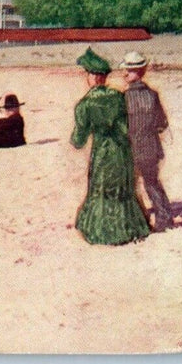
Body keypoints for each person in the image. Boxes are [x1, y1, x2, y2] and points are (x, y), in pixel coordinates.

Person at [69, 48, 150, 246]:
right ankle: (129, 228)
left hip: (103, 153)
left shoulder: (84, 105)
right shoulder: (119, 96)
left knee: (102, 190)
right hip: (123, 151)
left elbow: (78, 140)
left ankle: (103, 232)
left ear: (91, 77)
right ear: (103, 77)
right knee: (123, 190)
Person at [120, 51, 174, 232]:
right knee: (152, 184)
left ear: (139, 72)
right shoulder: (153, 95)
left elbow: (122, 126)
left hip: (131, 148)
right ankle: (164, 219)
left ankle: (140, 221)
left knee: (132, 185)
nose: (125, 73)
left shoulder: (124, 98)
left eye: (129, 70)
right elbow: (162, 123)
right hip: (151, 147)